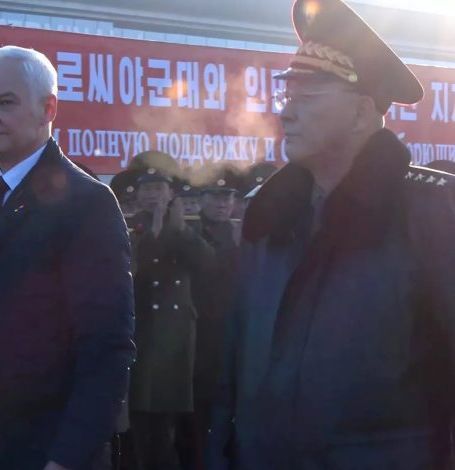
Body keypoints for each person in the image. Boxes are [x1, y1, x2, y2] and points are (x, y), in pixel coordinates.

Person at [208, 1, 455, 468]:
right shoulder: (271, 216)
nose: (286, 113)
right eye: (287, 94)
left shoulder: (430, 211)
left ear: (361, 112)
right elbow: (234, 371)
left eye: (307, 96)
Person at [0, 45, 135, 470]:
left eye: (6, 103)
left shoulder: (86, 202)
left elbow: (106, 345)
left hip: (43, 445)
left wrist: (69, 457)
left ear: (48, 108)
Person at [126, 168, 214, 470]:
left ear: (171, 194)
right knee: (139, 425)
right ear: (138, 195)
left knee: (168, 428)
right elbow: (133, 270)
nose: (153, 195)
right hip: (140, 335)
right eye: (147, 189)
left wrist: (179, 230)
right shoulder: (129, 226)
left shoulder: (187, 227)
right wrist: (152, 233)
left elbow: (208, 263)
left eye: (159, 188)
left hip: (174, 339)